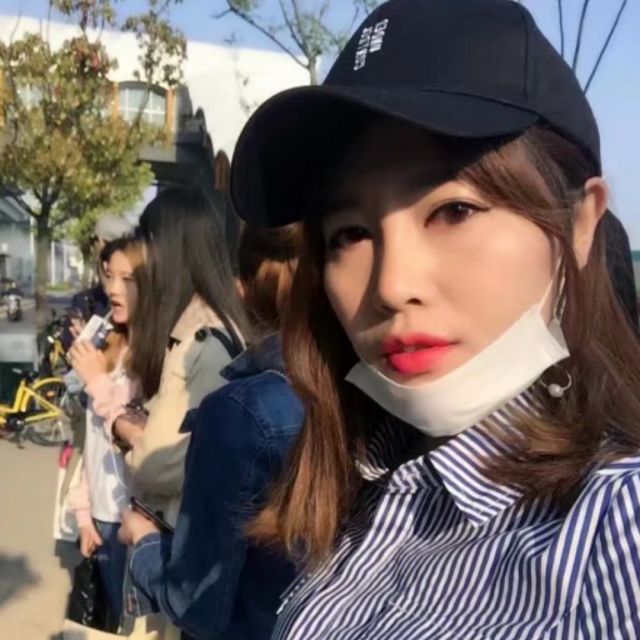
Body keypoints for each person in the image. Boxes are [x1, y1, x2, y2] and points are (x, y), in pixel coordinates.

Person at [230, 1, 640, 637]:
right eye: (351, 234)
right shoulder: (360, 499)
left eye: (454, 211)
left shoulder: (618, 527)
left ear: (581, 224)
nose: (392, 287)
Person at [118, 225, 303, 640]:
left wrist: (145, 543)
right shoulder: (371, 395)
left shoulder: (240, 413)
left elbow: (195, 602)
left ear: (242, 289)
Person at [112, 187, 249, 638]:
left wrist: (129, 432)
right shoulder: (201, 329)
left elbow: (163, 463)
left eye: (147, 248)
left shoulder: (202, 342)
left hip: (175, 548)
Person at [66, 236, 142, 628]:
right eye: (109, 275)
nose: (112, 288)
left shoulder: (156, 356)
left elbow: (142, 440)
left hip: (136, 521)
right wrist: (83, 514)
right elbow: (92, 444)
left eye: (127, 279)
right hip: (101, 517)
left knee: (135, 627)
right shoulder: (105, 345)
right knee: (112, 621)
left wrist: (98, 382)